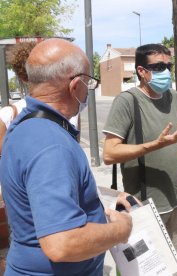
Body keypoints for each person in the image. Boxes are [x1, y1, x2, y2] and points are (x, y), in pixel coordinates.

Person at [0, 38, 133, 275]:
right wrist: (120, 230)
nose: (89, 91)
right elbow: (62, 243)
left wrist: (103, 210)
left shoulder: (26, 125)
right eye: (89, 82)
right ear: (75, 85)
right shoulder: (51, 145)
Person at [103, 43, 177, 260]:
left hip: (174, 199)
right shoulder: (127, 101)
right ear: (141, 71)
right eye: (158, 67)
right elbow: (109, 154)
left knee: (174, 262)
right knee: (149, 267)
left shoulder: (173, 97)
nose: (165, 72)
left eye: (169, 66)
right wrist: (155, 145)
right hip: (142, 205)